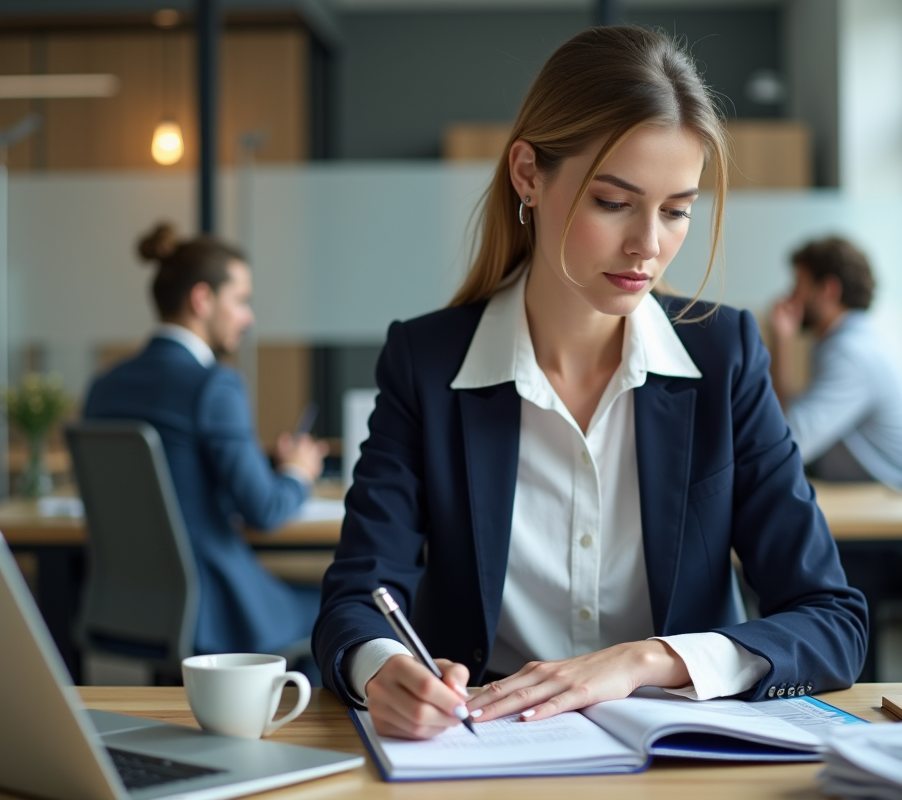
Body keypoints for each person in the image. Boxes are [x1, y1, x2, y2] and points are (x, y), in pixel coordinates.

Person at [314, 26, 867, 741]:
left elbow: (833, 621)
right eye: (614, 202)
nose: (648, 246)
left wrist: (646, 660)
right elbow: (358, 598)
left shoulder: (725, 355)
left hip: (673, 768)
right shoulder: (426, 361)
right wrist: (382, 668)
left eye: (675, 211)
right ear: (527, 175)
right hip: (480, 758)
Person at [84, 223, 327, 662]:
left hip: (126, 608)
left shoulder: (105, 386)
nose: (249, 316)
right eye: (241, 300)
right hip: (217, 610)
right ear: (202, 299)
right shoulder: (214, 386)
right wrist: (298, 471)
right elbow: (265, 510)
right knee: (343, 611)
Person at [769, 237, 902, 491]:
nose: (790, 296)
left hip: (898, 499)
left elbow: (791, 441)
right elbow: (790, 423)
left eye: (799, 285)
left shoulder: (850, 354)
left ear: (828, 290)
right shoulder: (847, 341)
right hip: (882, 492)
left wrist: (781, 345)